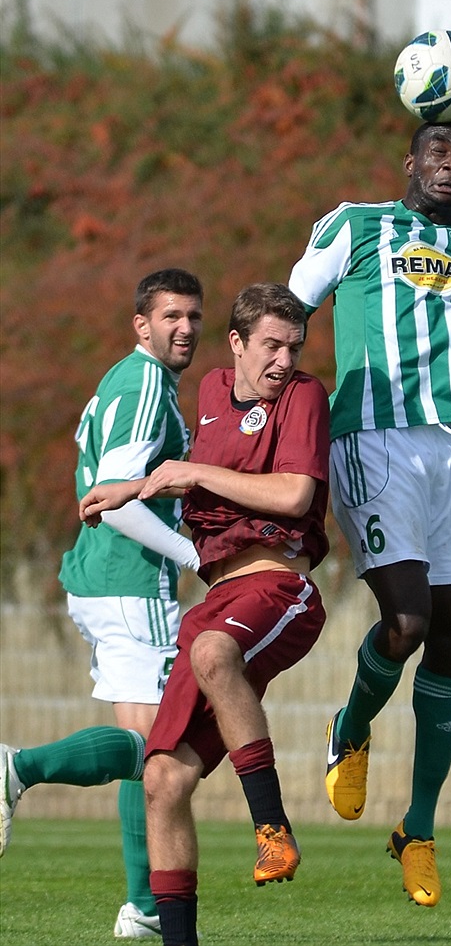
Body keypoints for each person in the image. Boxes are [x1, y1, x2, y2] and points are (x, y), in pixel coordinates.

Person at [288, 117, 451, 908]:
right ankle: (350, 724)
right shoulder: (356, 224)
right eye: (438, 150)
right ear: (410, 160)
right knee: (403, 622)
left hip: (448, 449)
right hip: (371, 437)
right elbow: (288, 309)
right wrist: (266, 413)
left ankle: (420, 827)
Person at [77, 283, 330, 946]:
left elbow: (295, 492)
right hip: (216, 597)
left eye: (293, 347)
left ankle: (272, 829)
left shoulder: (305, 396)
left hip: (278, 585)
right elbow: (191, 474)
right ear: (238, 343)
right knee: (162, 777)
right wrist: (133, 487)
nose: (283, 361)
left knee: (213, 652)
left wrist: (191, 472)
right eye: (271, 346)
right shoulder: (214, 392)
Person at [0, 268, 204, 938]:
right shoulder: (145, 382)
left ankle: (143, 905)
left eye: (193, 316)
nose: (184, 327)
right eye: (170, 315)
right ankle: (17, 767)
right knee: (157, 749)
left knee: (147, 748)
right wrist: (192, 554)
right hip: (130, 579)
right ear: (141, 324)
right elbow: (116, 500)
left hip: (101, 579)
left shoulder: (126, 378)